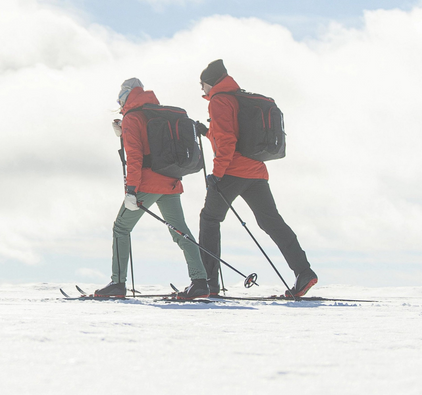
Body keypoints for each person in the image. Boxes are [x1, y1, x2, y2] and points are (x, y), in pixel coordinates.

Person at [197, 59, 318, 297]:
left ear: (211, 83)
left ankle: (208, 283)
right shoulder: (238, 98)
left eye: (202, 84)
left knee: (209, 219)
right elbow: (233, 135)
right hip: (256, 172)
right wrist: (207, 132)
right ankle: (304, 272)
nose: (201, 90)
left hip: (232, 171)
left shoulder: (220, 101)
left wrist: (216, 174)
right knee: (271, 222)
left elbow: (228, 142)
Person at [94, 78, 209, 299]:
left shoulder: (132, 117)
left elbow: (135, 157)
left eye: (120, 97)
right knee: (180, 231)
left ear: (126, 96)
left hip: (147, 183)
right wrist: (124, 133)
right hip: (171, 181)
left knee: (121, 228)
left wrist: (131, 190)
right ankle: (200, 281)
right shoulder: (155, 112)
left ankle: (118, 283)